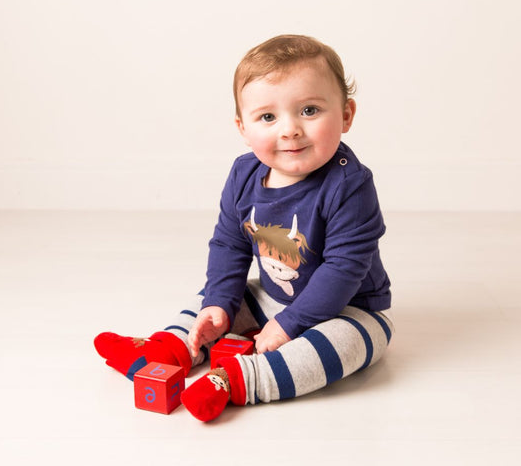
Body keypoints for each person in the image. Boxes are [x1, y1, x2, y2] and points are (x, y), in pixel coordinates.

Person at [94, 34, 393, 422]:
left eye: (309, 110)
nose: (289, 129)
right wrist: (219, 303)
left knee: (342, 345)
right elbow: (229, 244)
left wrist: (289, 325)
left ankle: (239, 380)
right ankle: (169, 349)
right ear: (242, 127)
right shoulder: (244, 174)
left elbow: (344, 269)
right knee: (216, 302)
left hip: (349, 307)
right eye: (268, 117)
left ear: (346, 115)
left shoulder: (349, 185)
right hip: (273, 295)